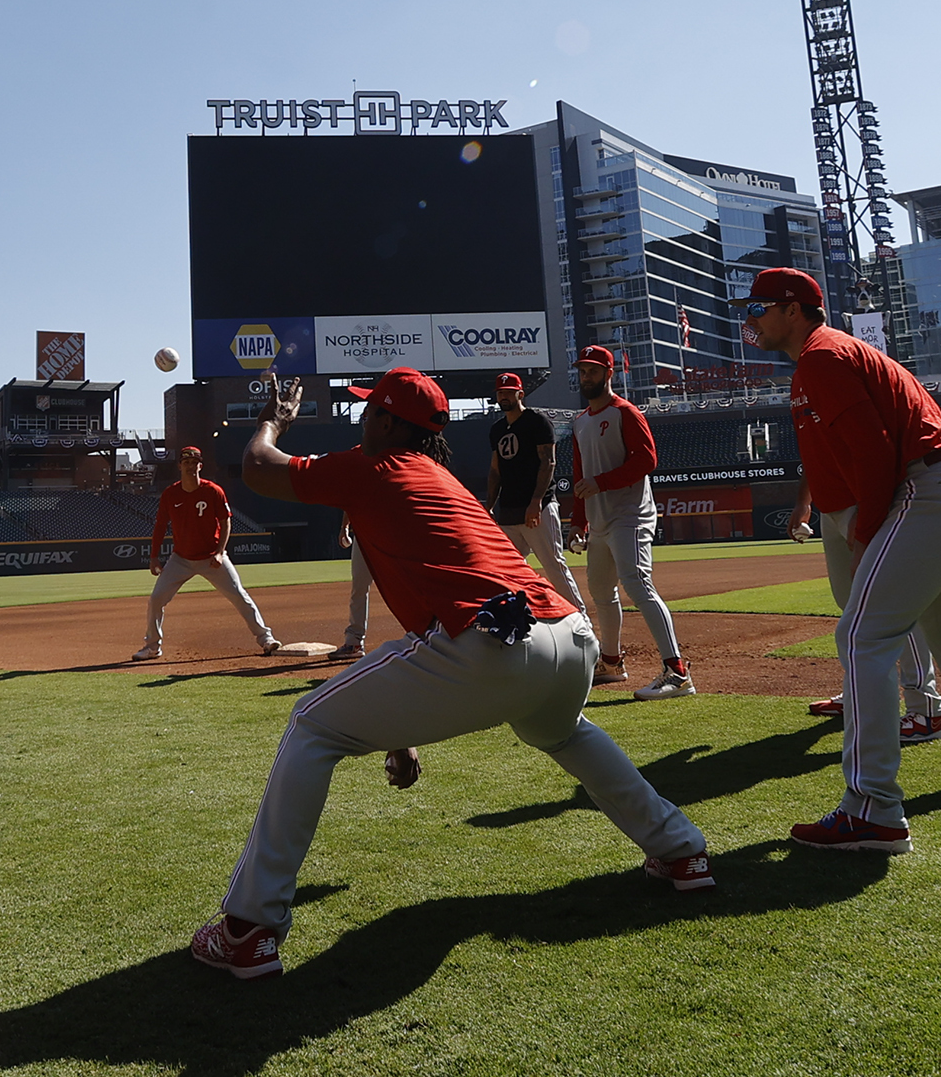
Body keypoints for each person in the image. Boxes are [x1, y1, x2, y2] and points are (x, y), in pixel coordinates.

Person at [190, 368, 714, 979]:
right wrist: (398, 727)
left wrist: (273, 419)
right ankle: (681, 853)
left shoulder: (372, 466)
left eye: (370, 411)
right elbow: (429, 623)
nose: (363, 419)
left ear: (386, 422)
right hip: (569, 638)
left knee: (312, 724)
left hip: (489, 646)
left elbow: (257, 468)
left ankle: (248, 929)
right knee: (563, 732)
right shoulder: (441, 477)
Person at [742, 267, 941, 856]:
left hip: (928, 489)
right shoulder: (830, 355)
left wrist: (867, 531)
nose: (751, 319)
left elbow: (876, 450)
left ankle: (873, 810)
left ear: (795, 310)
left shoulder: (823, 356)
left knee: (862, 637)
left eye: (759, 309)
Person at [566, 345, 692, 700]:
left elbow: (647, 460)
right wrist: (578, 520)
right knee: (601, 591)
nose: (586, 377)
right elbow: (580, 476)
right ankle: (611, 662)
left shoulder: (625, 412)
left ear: (609, 374)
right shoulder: (579, 422)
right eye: (583, 371)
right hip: (599, 519)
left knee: (637, 585)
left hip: (630, 516)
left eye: (593, 371)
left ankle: (677, 672)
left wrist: (601, 482)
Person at [792, 484, 941, 742]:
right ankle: (858, 694)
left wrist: (869, 506)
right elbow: (814, 454)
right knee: (851, 606)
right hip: (830, 505)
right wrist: (804, 502)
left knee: (894, 604)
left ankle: (928, 709)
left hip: (863, 500)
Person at [131, 445, 278, 662]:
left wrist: (220, 552)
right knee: (156, 599)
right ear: (180, 466)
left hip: (211, 557)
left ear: (200, 466)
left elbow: (225, 521)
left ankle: (266, 638)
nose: (191, 467)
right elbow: (160, 525)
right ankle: (152, 646)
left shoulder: (213, 491)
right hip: (181, 558)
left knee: (239, 595)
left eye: (194, 463)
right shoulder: (171, 494)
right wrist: (154, 556)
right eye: (186, 463)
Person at [484, 372, 586, 614]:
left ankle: (581, 618)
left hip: (537, 509)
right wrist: (489, 506)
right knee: (506, 570)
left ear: (521, 394)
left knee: (553, 565)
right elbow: (495, 471)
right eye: (500, 392)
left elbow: (548, 462)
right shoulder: (497, 429)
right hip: (509, 510)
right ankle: (519, 618)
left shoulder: (537, 421)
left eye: (509, 392)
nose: (504, 396)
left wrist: (536, 501)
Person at [329, 517, 373, 663]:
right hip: (363, 533)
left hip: (392, 531)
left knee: (403, 586)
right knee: (359, 588)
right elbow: (351, 498)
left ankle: (424, 637)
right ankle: (354, 642)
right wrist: (344, 527)